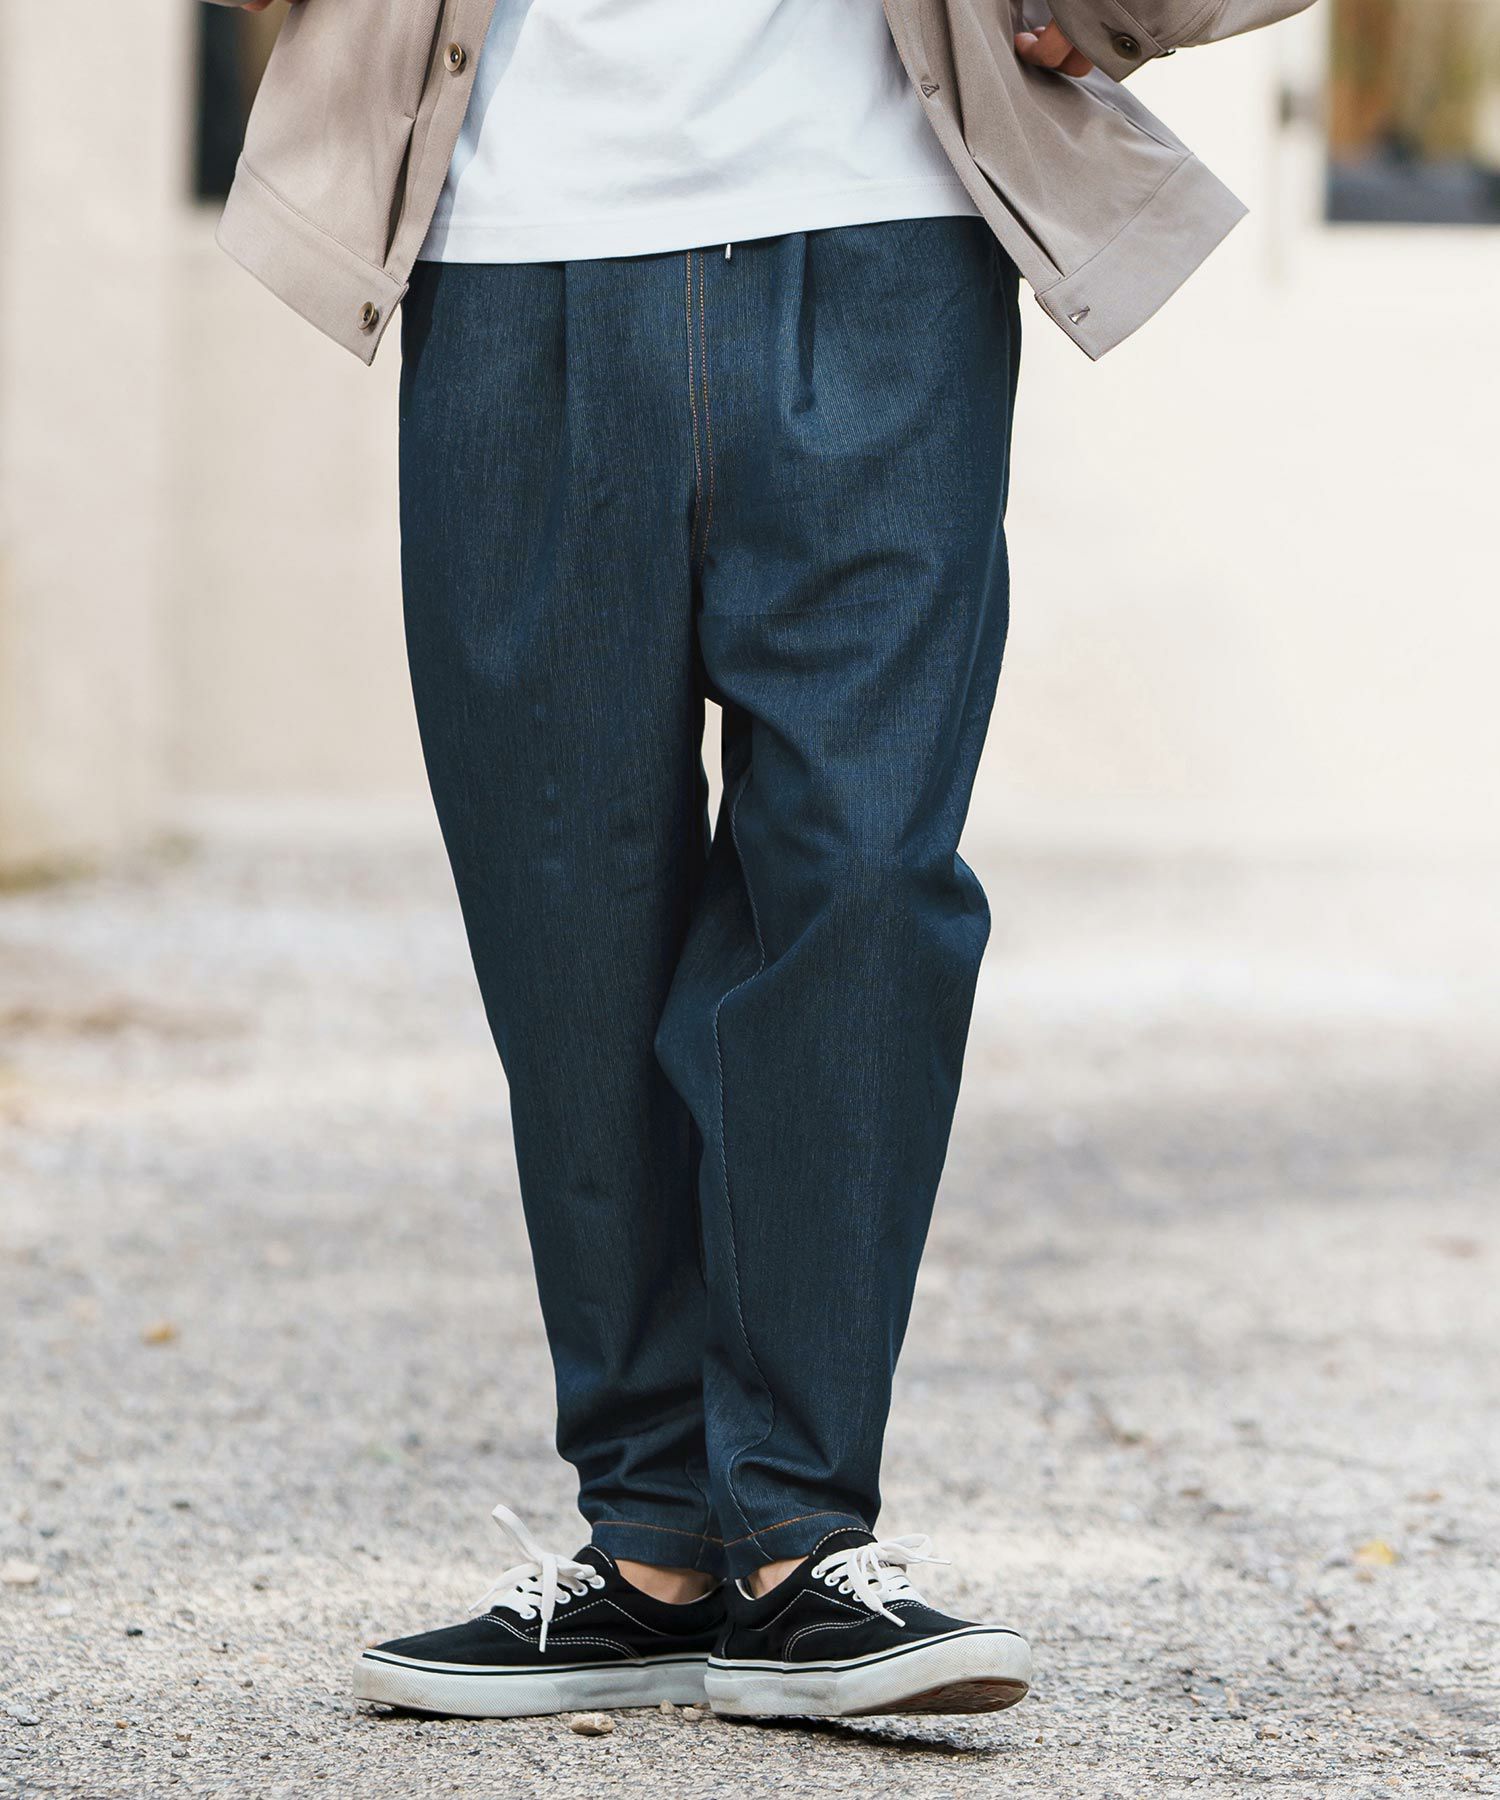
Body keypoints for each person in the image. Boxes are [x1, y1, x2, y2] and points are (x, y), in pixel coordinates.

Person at [212, 0, 1313, 1722]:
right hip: (508, 249)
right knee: (565, 899)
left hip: (884, 229)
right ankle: (652, 1543)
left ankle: (797, 1534)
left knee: (866, 874)